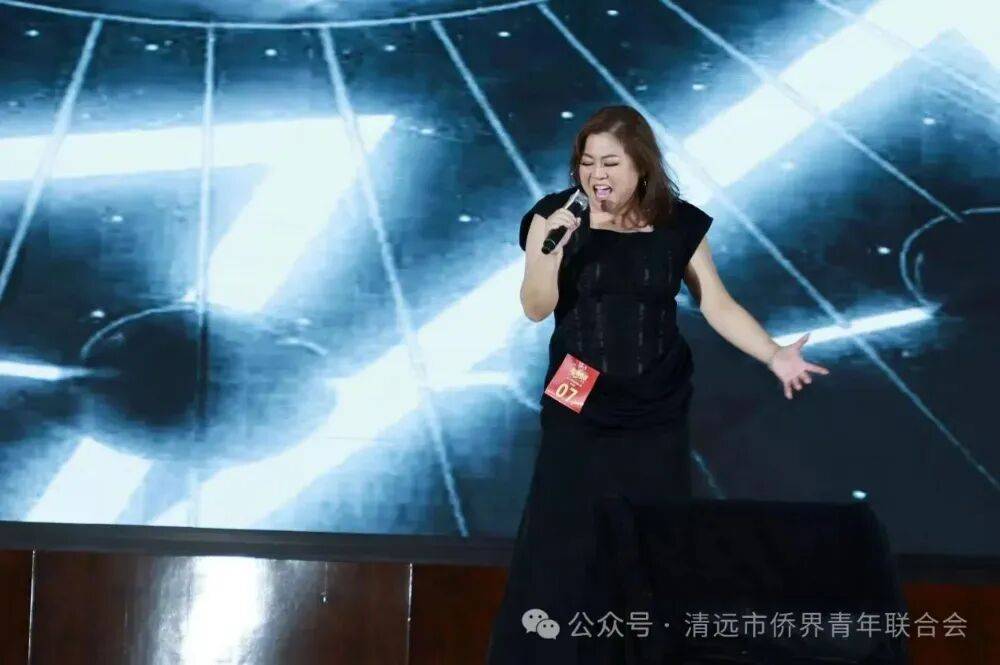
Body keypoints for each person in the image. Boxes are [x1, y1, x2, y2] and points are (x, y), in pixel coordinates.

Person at [485, 105, 830, 664]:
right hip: (578, 394)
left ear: (640, 165)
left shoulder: (677, 223)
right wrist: (550, 250)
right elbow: (535, 307)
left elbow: (715, 303)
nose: (597, 175)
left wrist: (773, 354)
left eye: (611, 163)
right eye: (587, 162)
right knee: (565, 535)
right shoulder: (552, 218)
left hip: (656, 400)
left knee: (652, 539)